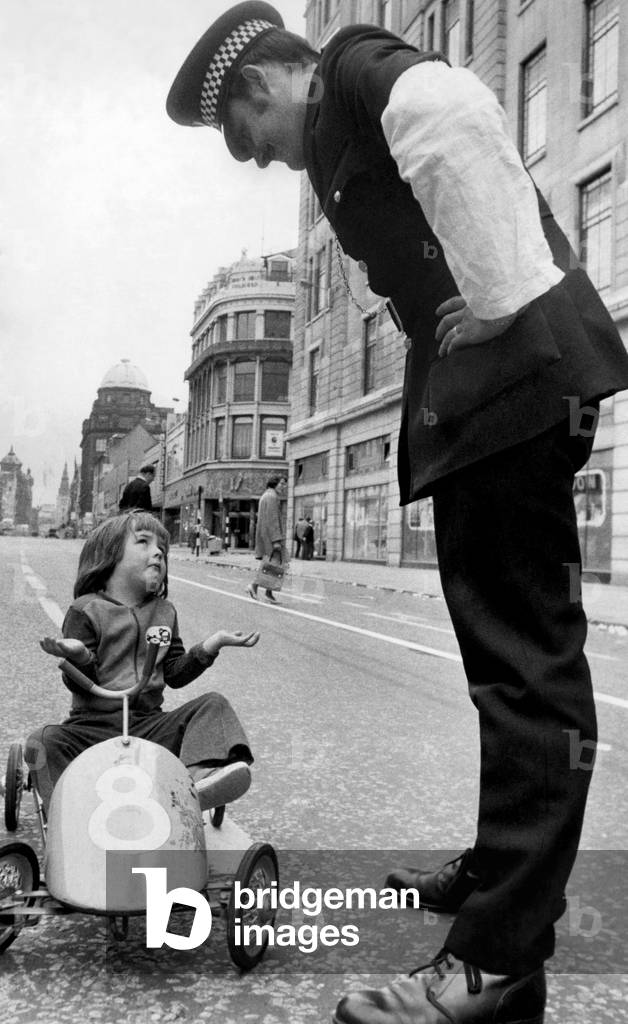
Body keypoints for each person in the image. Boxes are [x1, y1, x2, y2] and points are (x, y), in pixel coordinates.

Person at [166, 6, 628, 1023]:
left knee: (526, 672)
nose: (253, 159)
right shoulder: (342, 108)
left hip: (513, 382)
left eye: (245, 138)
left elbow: (454, 111)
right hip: (487, 401)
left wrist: (503, 296)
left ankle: (495, 956)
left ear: (258, 87)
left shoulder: (359, 71)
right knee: (507, 667)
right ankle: (505, 890)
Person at [25, 510, 258, 814]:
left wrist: (210, 646)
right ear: (109, 555)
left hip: (149, 725)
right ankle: (66, 810)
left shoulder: (164, 612)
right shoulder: (86, 609)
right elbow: (77, 682)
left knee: (213, 705)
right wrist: (79, 656)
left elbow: (173, 673)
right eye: (144, 543)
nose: (158, 553)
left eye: (162, 548)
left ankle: (198, 780)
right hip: (92, 727)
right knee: (42, 741)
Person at [247, 474, 285, 602]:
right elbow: (273, 519)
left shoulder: (266, 495)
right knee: (272, 565)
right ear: (274, 483)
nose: (283, 487)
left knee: (273, 565)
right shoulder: (272, 497)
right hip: (271, 538)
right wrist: (276, 540)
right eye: (282, 484)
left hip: (266, 536)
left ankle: (269, 592)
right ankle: (254, 586)